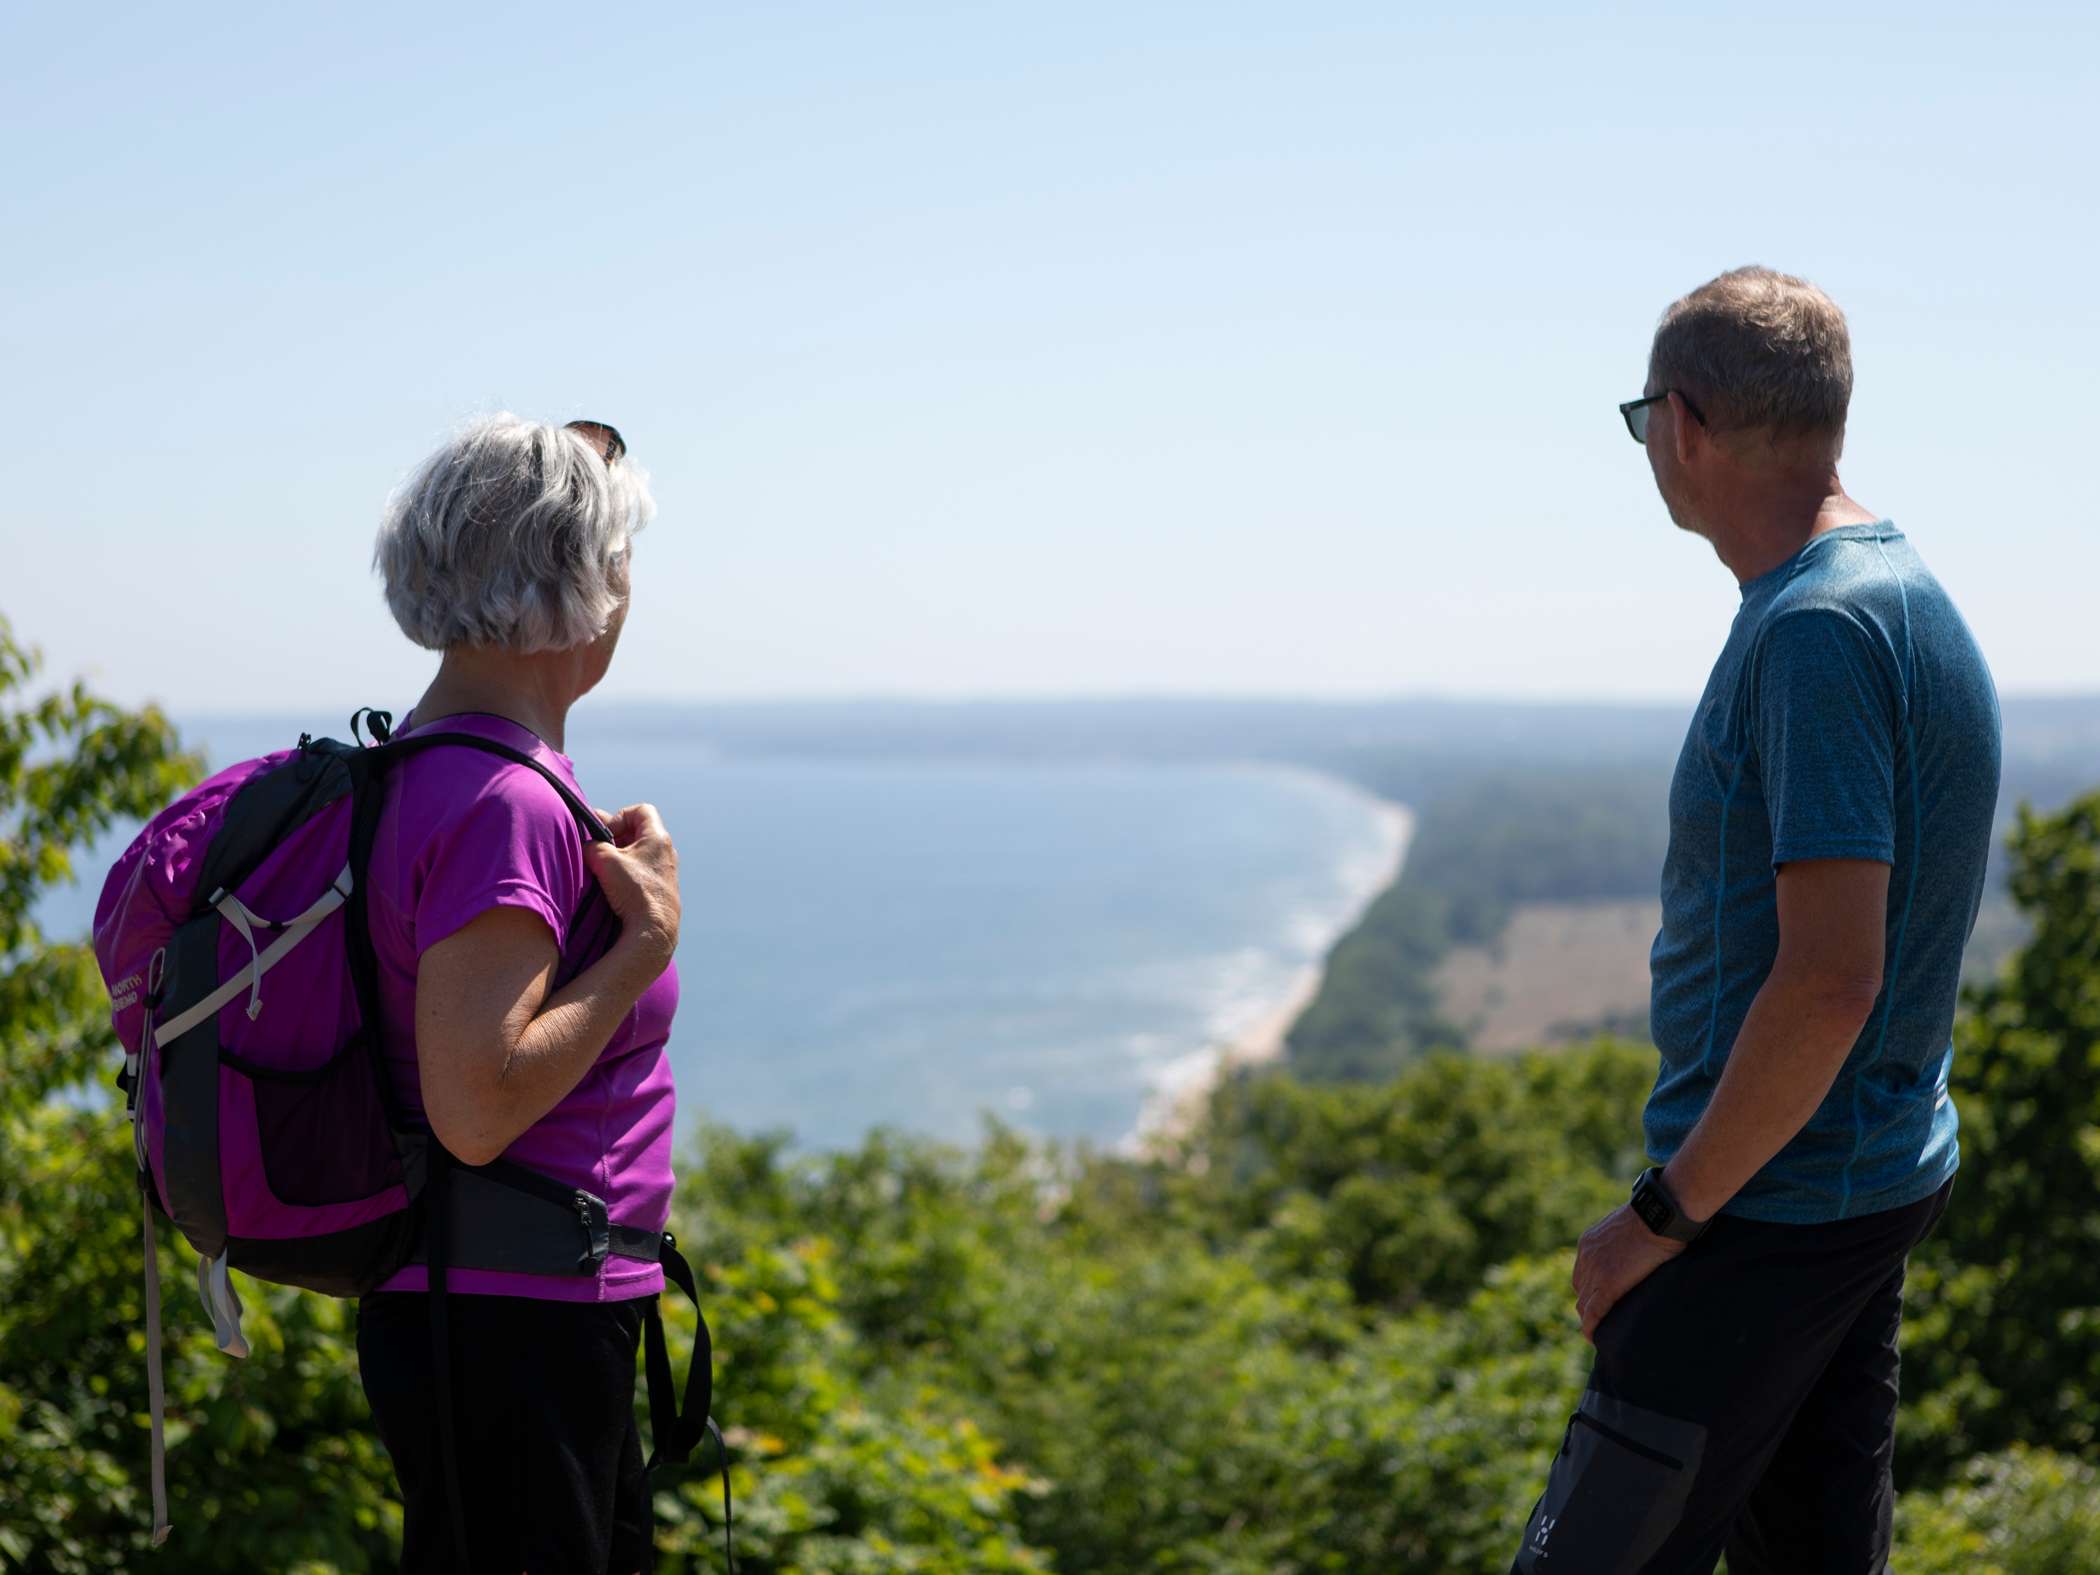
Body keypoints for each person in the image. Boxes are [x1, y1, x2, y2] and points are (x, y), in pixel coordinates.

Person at [1509, 269, 2001, 1573]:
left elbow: (1832, 978)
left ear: (1685, 421)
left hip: (1764, 1210)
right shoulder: (1894, 590)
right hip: (1861, 1178)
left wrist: (1658, 1219)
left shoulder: (1816, 630)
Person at [357, 413, 682, 1573]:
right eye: (626, 559)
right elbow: (478, 1105)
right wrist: (641, 944)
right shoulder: (504, 801)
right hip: (515, 1317)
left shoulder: (421, 767)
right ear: (584, 576)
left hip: (491, 1304)